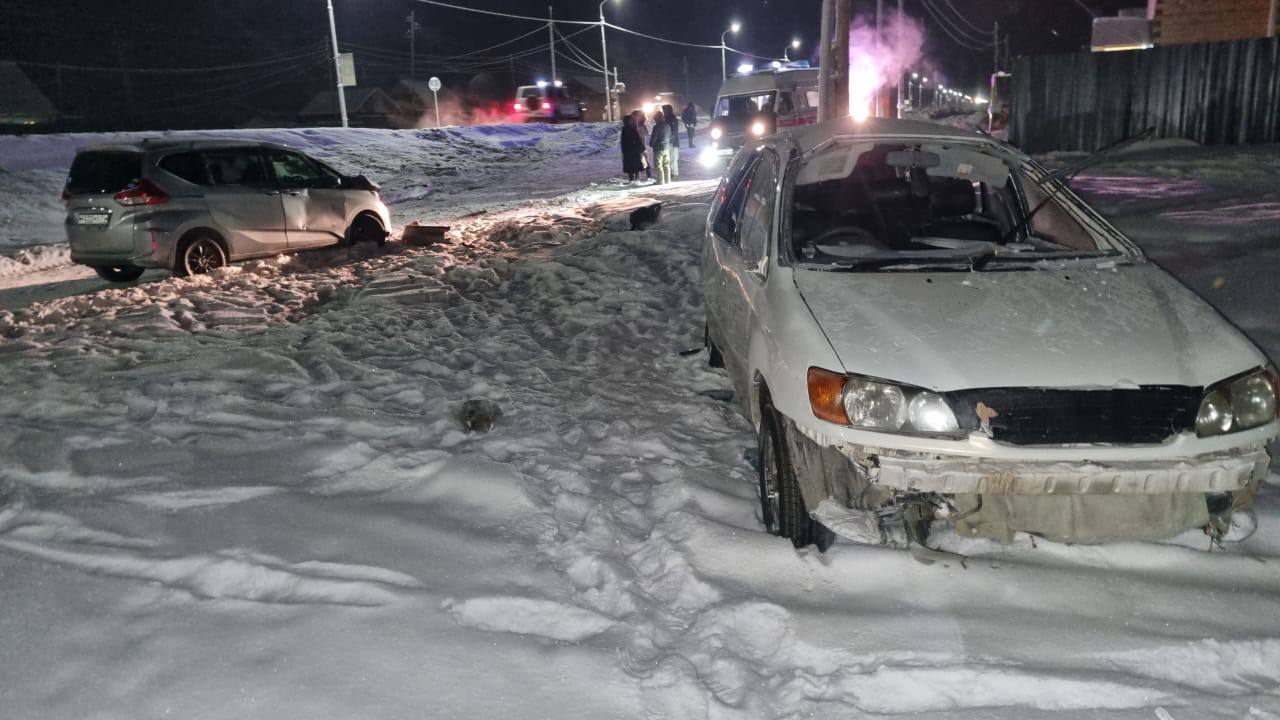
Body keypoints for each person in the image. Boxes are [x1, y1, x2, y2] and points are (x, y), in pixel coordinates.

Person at [648, 110, 672, 185]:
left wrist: (651, 144)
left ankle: (660, 180)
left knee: (658, 165)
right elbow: (671, 136)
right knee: (666, 164)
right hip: (666, 147)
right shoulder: (668, 125)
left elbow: (654, 137)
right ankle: (668, 180)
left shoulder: (657, 127)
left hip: (658, 148)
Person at [620, 114, 646, 183]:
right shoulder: (633, 128)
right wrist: (641, 148)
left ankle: (632, 179)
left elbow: (623, 141)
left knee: (630, 165)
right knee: (636, 164)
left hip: (628, 150)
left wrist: (623, 150)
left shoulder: (625, 129)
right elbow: (638, 139)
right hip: (634, 150)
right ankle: (636, 179)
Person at [633, 110, 653, 180]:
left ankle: (644, 177)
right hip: (638, 146)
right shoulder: (635, 125)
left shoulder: (641, 126)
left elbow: (646, 134)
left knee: (642, 161)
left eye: (636, 116)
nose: (635, 117)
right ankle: (644, 177)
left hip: (641, 146)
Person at [662, 104, 680, 180]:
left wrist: (671, 142)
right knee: (670, 159)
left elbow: (673, 132)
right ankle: (672, 174)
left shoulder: (671, 119)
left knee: (672, 159)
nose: (664, 112)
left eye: (665, 110)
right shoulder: (667, 118)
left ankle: (674, 175)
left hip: (672, 143)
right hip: (669, 142)